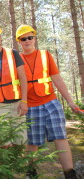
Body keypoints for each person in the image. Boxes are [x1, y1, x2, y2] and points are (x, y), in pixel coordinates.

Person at [16, 24, 79, 179]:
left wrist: (70, 101)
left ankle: (69, 173)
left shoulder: (45, 55)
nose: (27, 41)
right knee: (32, 143)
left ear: (35, 38)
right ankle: (31, 173)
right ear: (19, 41)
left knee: (60, 137)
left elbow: (57, 78)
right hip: (30, 106)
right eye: (23, 39)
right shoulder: (16, 59)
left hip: (51, 103)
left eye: (30, 37)